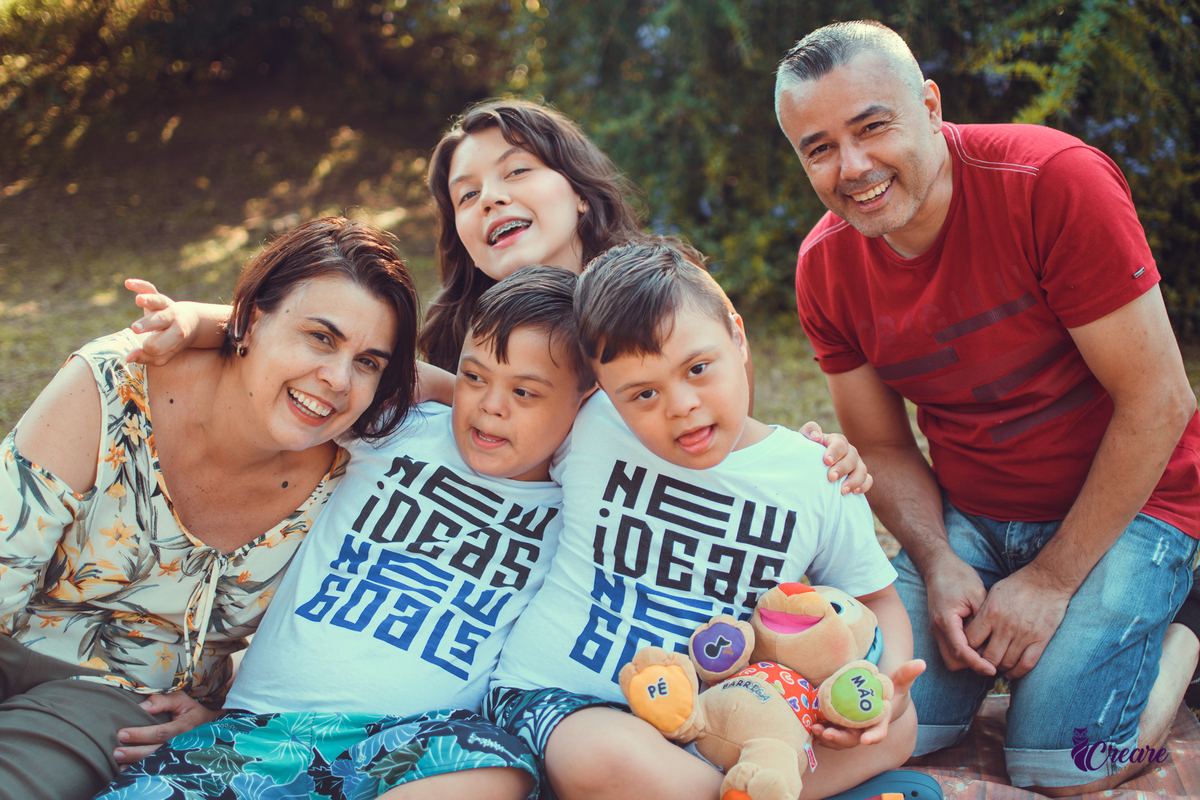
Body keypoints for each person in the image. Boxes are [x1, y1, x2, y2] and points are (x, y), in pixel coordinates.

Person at [774, 20, 1200, 795]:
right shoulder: (825, 267)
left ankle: (1180, 639)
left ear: (930, 106)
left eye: (873, 128)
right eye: (820, 147)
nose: (854, 167)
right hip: (974, 518)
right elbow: (884, 446)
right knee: (882, 727)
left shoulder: (1052, 182)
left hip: (1134, 507)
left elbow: (1160, 402)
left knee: (1062, 763)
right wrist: (938, 562)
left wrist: (1051, 581)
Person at [93, 266, 598, 800]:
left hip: (412, 747)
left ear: (586, 400)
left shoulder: (578, 509)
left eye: (524, 391)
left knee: (494, 768)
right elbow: (292, 342)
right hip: (257, 729)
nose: (490, 405)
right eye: (475, 377)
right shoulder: (406, 424)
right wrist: (195, 321)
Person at [484, 242, 926, 800]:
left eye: (697, 368)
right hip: (566, 703)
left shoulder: (814, 474)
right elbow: (482, 400)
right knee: (611, 758)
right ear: (603, 391)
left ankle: (739, 785)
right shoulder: (588, 422)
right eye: (642, 394)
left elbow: (878, 598)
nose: (681, 405)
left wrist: (884, 687)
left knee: (900, 729)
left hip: (721, 721)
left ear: (737, 337)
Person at [0, 217, 420, 800]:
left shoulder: (354, 470)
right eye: (320, 337)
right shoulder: (116, 384)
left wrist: (222, 715)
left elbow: (476, 389)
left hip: (108, 693)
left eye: (369, 362)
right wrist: (201, 321)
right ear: (246, 320)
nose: (336, 380)